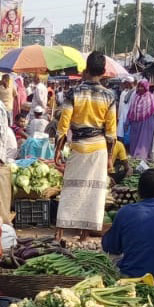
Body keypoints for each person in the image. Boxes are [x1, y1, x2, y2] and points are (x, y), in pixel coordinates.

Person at [53, 52, 119, 238]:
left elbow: (63, 125)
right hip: (98, 149)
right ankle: (83, 234)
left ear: (85, 69)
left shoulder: (73, 92)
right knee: (93, 192)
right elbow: (111, 132)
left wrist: (58, 150)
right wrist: (110, 158)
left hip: (79, 146)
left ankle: (59, 232)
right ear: (104, 71)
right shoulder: (109, 95)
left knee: (70, 188)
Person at [123, 78, 154, 161]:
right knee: (134, 141)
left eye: (142, 86)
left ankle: (141, 159)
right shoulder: (135, 97)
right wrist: (127, 122)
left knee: (144, 142)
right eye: (138, 86)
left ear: (146, 87)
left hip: (147, 123)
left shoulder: (151, 97)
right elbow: (131, 110)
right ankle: (135, 159)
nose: (140, 88)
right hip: (135, 123)